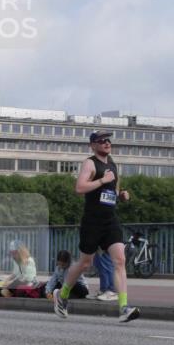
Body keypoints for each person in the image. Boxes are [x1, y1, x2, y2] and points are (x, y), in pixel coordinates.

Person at [52, 131, 139, 322]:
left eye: (108, 140)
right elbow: (79, 188)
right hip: (92, 221)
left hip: (110, 220)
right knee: (85, 263)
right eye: (101, 141)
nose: (107, 143)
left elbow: (113, 191)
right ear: (92, 145)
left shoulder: (113, 165)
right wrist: (101, 180)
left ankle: (124, 307)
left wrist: (121, 195)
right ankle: (62, 295)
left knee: (120, 260)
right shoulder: (90, 163)